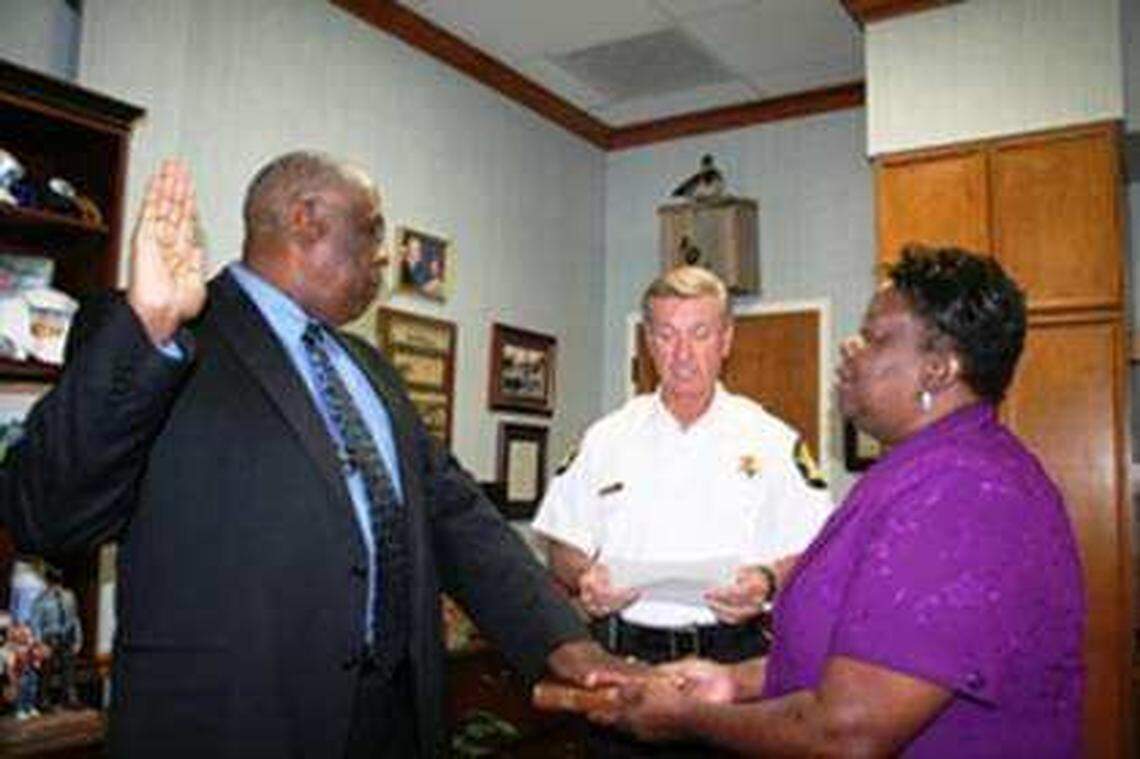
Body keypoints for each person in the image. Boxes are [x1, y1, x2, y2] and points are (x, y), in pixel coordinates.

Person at [0, 153, 629, 756]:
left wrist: (570, 650)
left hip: (394, 728)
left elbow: (461, 521)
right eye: (373, 228)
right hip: (232, 731)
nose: (386, 252)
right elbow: (48, 516)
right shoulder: (159, 337)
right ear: (305, 219)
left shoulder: (373, 372)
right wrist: (149, 325)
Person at [601, 247, 1085, 757]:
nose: (850, 348)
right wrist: (734, 683)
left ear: (937, 371)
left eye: (875, 338)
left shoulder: (963, 496)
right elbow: (867, 659)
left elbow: (850, 730)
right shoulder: (915, 474)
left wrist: (689, 719)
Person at [532, 265, 831, 755]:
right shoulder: (606, 438)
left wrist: (767, 580)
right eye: (667, 335)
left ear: (726, 339)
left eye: (700, 334)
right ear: (649, 341)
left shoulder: (773, 440)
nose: (683, 354)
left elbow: (816, 552)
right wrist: (586, 576)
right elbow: (561, 544)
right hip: (626, 657)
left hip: (732, 664)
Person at [28, 564, 82, 709]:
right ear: (47, 581)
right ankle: (44, 699)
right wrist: (39, 643)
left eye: (58, 581)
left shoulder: (69, 596)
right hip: (50, 638)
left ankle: (70, 697)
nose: (56, 585)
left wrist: (78, 638)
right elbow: (35, 622)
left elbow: (75, 618)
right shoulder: (41, 600)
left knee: (69, 670)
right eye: (53, 582)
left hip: (66, 637)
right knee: (46, 672)